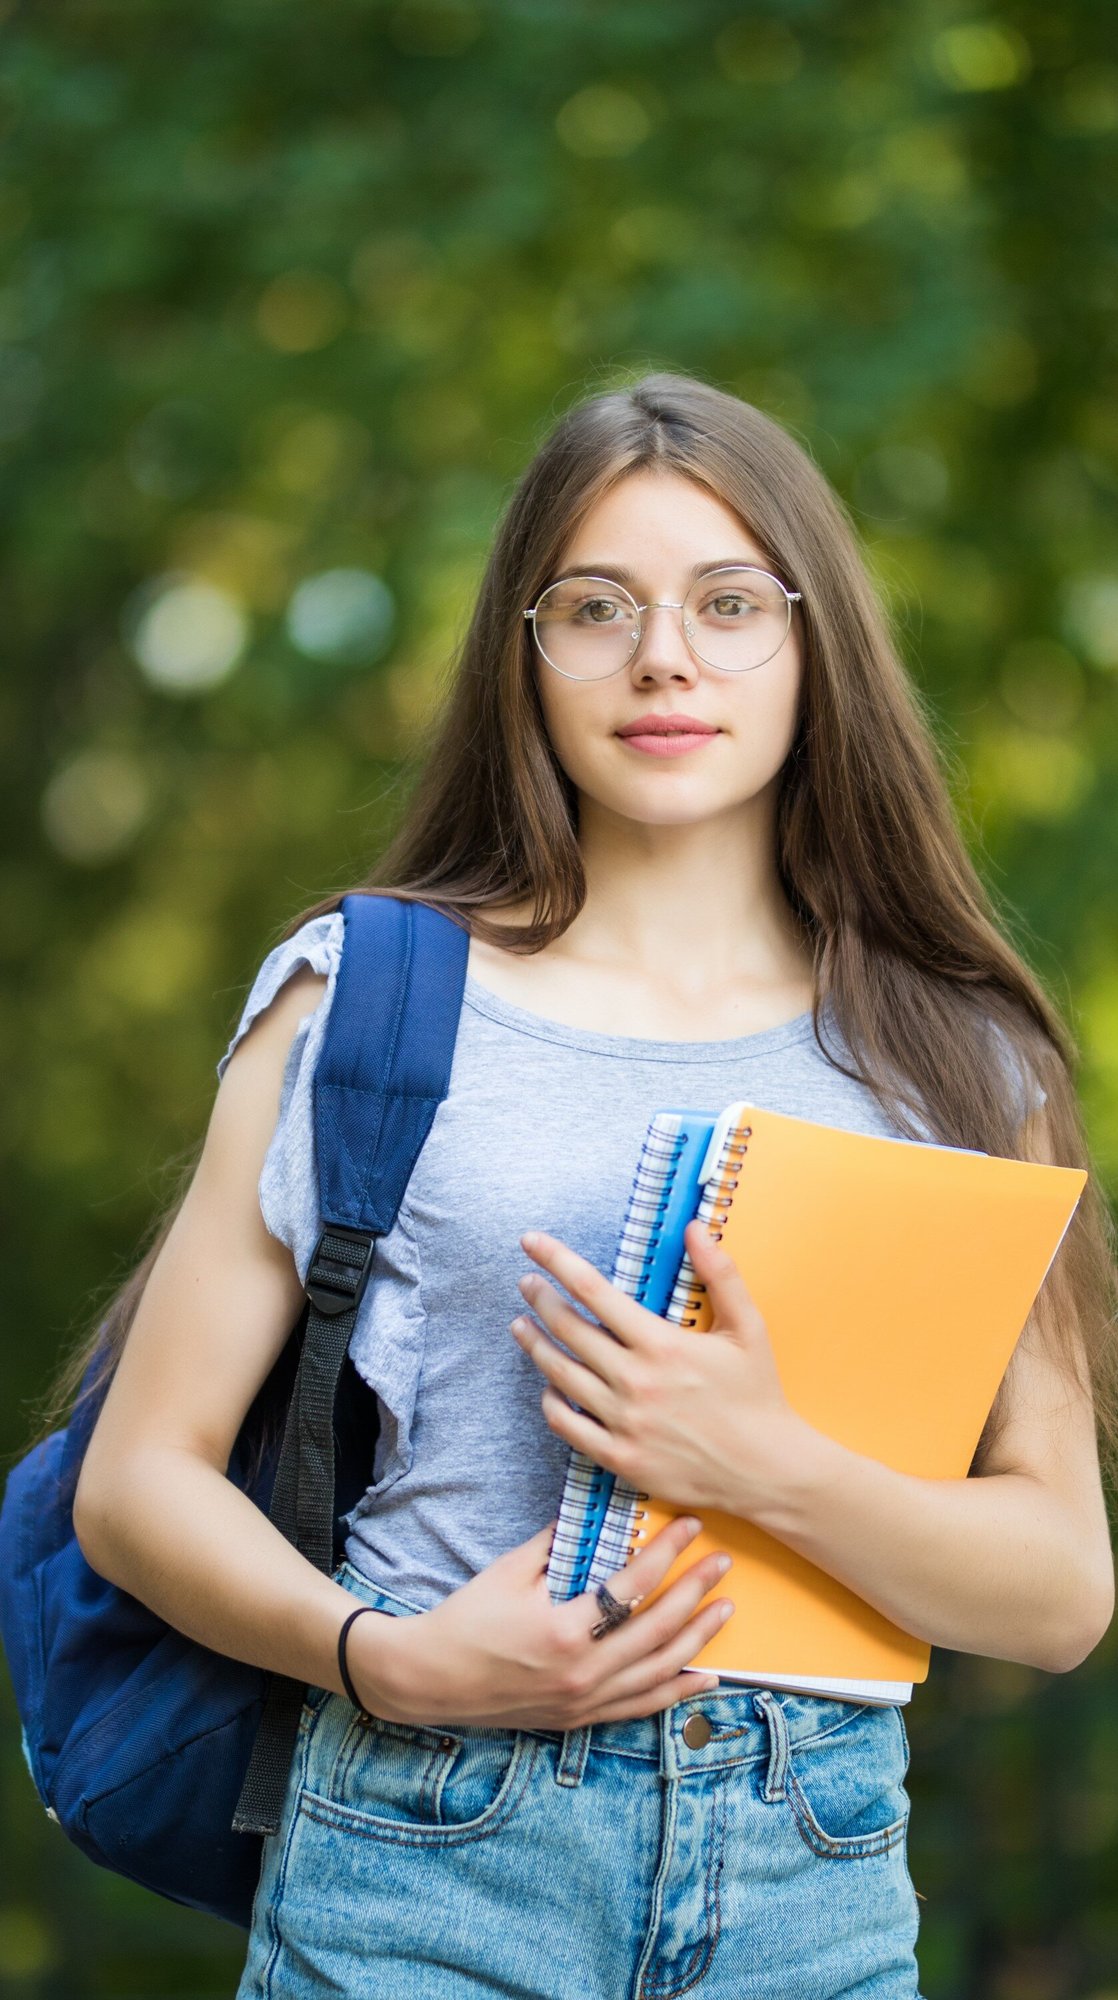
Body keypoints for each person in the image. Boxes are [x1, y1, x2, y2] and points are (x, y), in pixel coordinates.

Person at [66, 373, 1115, 1998]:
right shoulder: (366, 1001)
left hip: (809, 1883)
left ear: (811, 642)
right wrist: (390, 1661)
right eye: (595, 608)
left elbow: (1056, 1593)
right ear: (523, 653)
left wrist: (761, 1463)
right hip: (421, 1860)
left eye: (726, 603)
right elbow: (137, 1485)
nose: (662, 658)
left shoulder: (961, 1061)